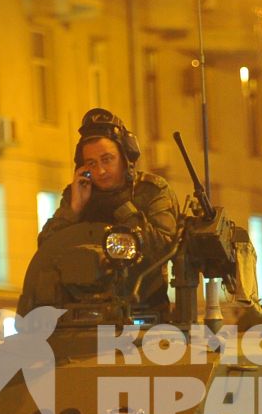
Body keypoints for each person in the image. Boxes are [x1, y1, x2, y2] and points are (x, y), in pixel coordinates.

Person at [19, 108, 179, 313]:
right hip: (80, 310)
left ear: (125, 157)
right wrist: (75, 208)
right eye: (91, 164)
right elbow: (47, 250)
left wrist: (124, 209)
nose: (100, 171)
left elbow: (164, 247)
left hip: (144, 307)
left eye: (107, 159)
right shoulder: (78, 194)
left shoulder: (150, 191)